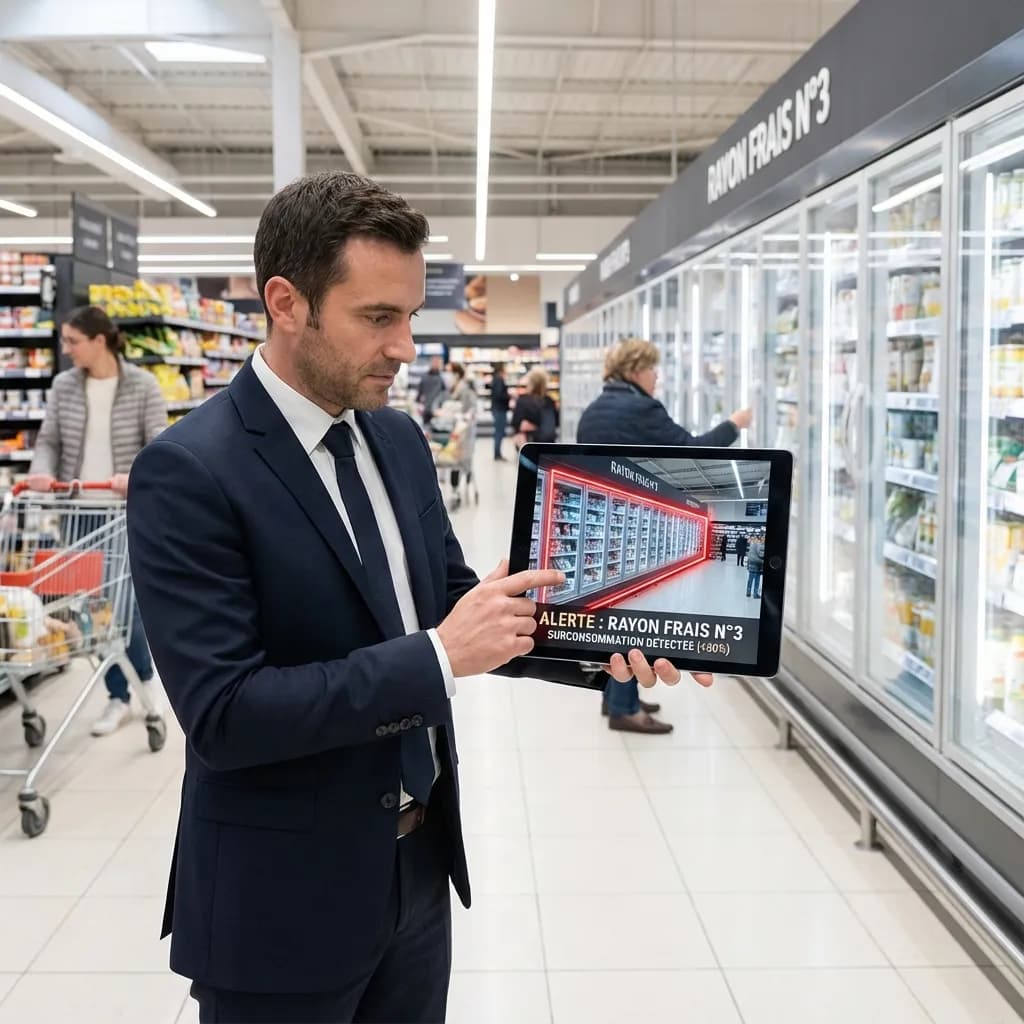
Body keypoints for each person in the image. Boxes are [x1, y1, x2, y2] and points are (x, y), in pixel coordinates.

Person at [126, 172, 709, 1024]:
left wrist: (600, 641)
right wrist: (437, 657)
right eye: (377, 318)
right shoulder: (190, 470)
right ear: (287, 302)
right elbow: (226, 713)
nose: (406, 348)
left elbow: (453, 602)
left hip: (416, 871)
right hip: (280, 901)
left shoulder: (396, 440)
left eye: (409, 317)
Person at [577, 338, 751, 735]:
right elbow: (692, 451)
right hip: (633, 521)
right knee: (635, 618)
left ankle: (617, 696)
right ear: (638, 370)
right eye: (654, 370)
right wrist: (734, 425)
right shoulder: (641, 407)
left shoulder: (597, 407)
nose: (656, 378)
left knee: (613, 613)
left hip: (603, 521)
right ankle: (625, 709)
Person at [28, 305, 167, 737]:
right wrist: (41, 471)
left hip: (123, 510)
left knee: (123, 604)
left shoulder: (142, 385)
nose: (66, 349)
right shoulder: (64, 386)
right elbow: (49, 440)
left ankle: (128, 691)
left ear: (98, 341)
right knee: (97, 606)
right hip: (77, 509)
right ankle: (131, 690)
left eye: (72, 341)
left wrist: (136, 477)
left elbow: (160, 445)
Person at [446, 362, 476, 492]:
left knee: (461, 458)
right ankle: (455, 487)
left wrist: (464, 416)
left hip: (463, 430)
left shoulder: (466, 388)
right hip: (454, 429)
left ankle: (460, 485)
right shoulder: (453, 387)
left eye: (449, 372)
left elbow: (472, 408)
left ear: (457, 374)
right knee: (455, 458)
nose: (447, 375)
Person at [512, 367, 558, 446]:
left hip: (529, 444)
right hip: (548, 444)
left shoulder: (523, 401)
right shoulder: (549, 401)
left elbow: (516, 423)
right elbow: (556, 422)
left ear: (530, 383)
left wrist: (531, 426)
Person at [415, 353, 444, 426]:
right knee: (426, 429)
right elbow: (419, 392)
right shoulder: (425, 376)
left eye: (438, 362)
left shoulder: (442, 378)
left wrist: (441, 406)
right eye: (435, 362)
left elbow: (445, 393)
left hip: (438, 409)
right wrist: (419, 405)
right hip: (426, 409)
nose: (436, 364)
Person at [490, 361, 510, 460]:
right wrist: (509, 396)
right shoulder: (499, 379)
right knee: (499, 432)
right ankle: (497, 454)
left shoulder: (495, 378)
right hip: (500, 409)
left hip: (497, 409)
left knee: (499, 432)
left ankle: (497, 453)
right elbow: (499, 395)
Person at [747, 534, 766, 598]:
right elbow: (760, 555)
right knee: (757, 581)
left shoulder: (752, 545)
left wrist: (748, 565)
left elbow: (749, 556)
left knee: (750, 580)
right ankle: (755, 594)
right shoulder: (760, 545)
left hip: (751, 565)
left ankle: (748, 592)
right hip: (757, 566)